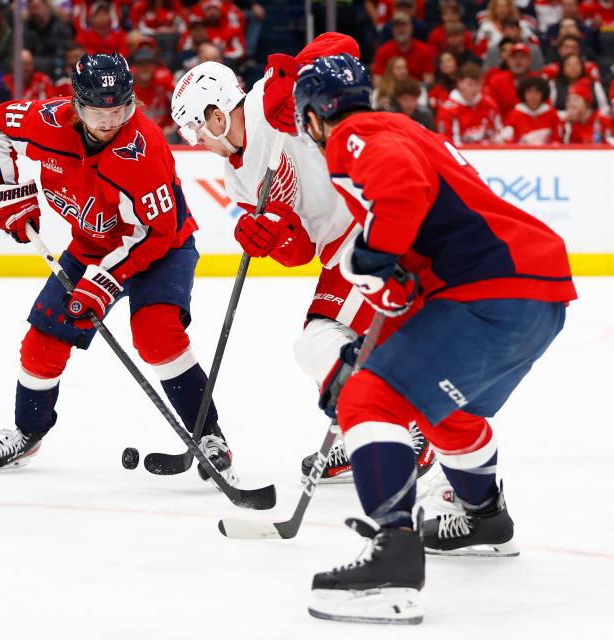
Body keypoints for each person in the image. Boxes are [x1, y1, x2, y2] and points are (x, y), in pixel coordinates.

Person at [293, 52, 575, 624]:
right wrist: (366, 351)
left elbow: (401, 191)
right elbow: (408, 282)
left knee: (368, 401)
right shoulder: (408, 128)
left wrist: (372, 257)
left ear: (313, 117)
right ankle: (484, 519)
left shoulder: (355, 133)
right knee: (440, 410)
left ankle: (394, 558)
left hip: (489, 293)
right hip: (536, 294)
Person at [169, 35, 435, 484]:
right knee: (324, 342)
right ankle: (360, 434)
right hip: (338, 250)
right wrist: (271, 237)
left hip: (371, 224)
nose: (196, 142)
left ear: (215, 115)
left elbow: (343, 45)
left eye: (194, 130)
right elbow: (301, 249)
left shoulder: (266, 98)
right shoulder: (237, 175)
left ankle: (409, 428)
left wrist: (296, 71)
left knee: (324, 338)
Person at [0, 53, 239, 486]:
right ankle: (29, 431)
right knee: (43, 341)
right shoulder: (46, 121)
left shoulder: (144, 148)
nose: (110, 120)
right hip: (92, 246)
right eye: (98, 110)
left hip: (161, 247)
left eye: (119, 109)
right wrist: (7, 189)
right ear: (76, 103)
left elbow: (155, 231)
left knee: (157, 334)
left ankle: (209, 436)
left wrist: (108, 279)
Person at [435, 62, 503, 144]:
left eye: (478, 84)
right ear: (459, 83)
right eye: (470, 84)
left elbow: (499, 134)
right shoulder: (447, 110)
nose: (474, 89)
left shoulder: (489, 104)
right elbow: (446, 143)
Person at [372, 12, 435, 86]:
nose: (400, 29)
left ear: (411, 27)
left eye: (404, 25)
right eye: (397, 26)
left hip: (417, 93)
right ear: (392, 30)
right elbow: (377, 82)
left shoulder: (425, 50)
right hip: (390, 93)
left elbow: (428, 82)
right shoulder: (382, 51)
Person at [502, 76, 563, 144]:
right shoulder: (514, 115)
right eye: (529, 92)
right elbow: (508, 139)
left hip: (547, 152)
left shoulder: (551, 113)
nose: (533, 96)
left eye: (537, 92)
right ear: (523, 93)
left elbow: (557, 138)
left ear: (543, 94)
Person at [485, 41, 536, 114]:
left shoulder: (537, 81)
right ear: (508, 60)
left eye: (522, 57)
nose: (518, 61)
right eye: (514, 57)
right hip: (503, 123)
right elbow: (489, 106)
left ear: (529, 61)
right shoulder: (496, 80)